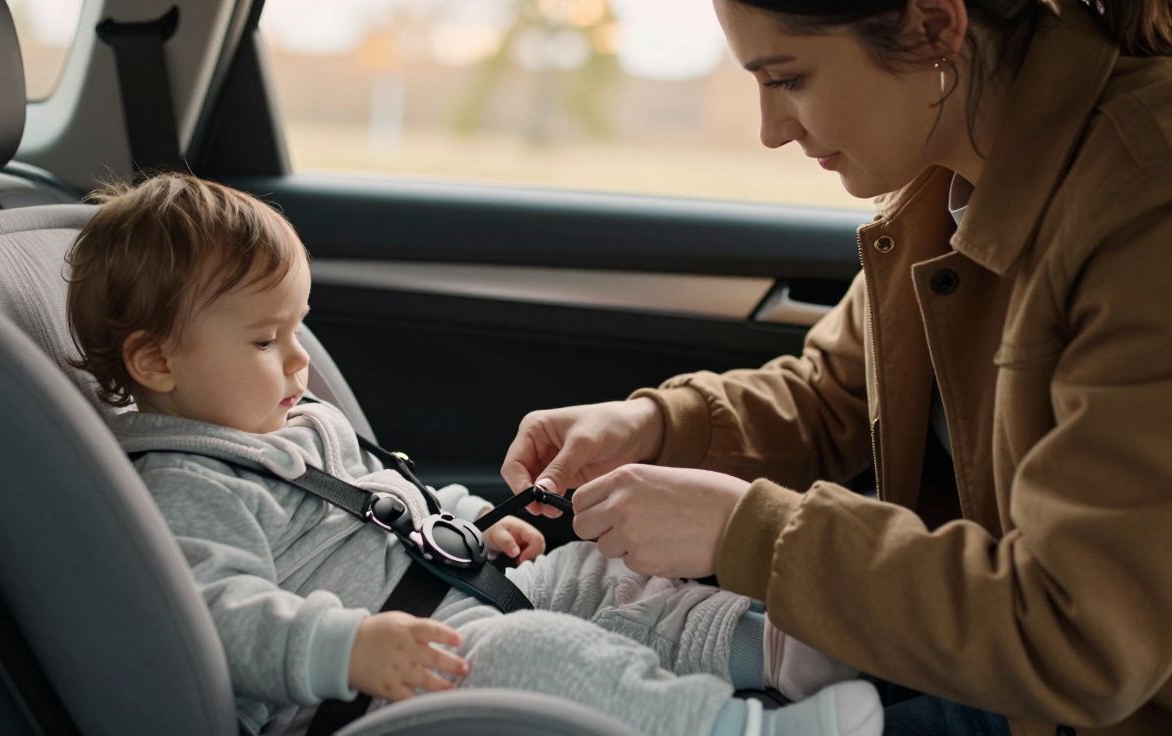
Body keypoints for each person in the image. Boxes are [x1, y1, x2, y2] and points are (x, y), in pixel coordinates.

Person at [502, 1, 1172, 734]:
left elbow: (1083, 635)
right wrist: (656, 424)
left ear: (933, 27)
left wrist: (743, 531)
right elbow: (833, 392)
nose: (771, 129)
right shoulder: (947, 173)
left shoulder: (1144, 201)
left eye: (787, 79)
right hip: (968, 656)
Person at [63, 172, 882, 736]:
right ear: (156, 361)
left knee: (602, 577)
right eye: (265, 339)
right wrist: (346, 646)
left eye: (299, 327)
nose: (298, 359)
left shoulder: (291, 421)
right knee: (544, 654)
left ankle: (772, 647)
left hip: (449, 595)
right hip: (376, 681)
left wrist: (471, 524)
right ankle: (727, 725)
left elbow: (390, 495)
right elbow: (216, 618)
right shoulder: (184, 480)